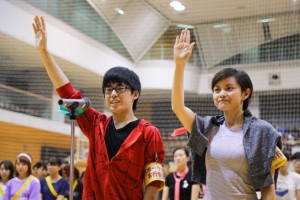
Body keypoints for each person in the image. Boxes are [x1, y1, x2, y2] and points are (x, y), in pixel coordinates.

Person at [32, 16, 165, 199]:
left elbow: (154, 181)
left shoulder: (149, 133)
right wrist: (44, 52)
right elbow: (68, 93)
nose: (113, 94)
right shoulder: (96, 124)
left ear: (135, 94)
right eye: (108, 89)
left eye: (120, 88)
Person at [171, 29, 283, 199]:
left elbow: (268, 189)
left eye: (229, 88)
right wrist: (180, 65)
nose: (221, 93)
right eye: (217, 90)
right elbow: (178, 108)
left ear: (245, 93)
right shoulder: (206, 128)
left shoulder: (263, 132)